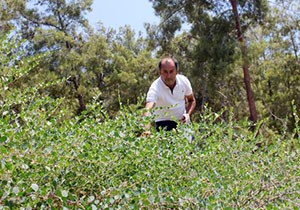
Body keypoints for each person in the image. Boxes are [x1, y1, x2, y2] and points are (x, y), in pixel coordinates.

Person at [144, 57, 196, 132]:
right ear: (160, 72)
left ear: (176, 71)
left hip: (182, 123)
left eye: (171, 71)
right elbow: (148, 109)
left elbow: (191, 100)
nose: (168, 76)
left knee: (191, 142)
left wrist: (187, 114)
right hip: (162, 124)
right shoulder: (155, 88)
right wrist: (146, 129)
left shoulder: (184, 81)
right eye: (165, 72)